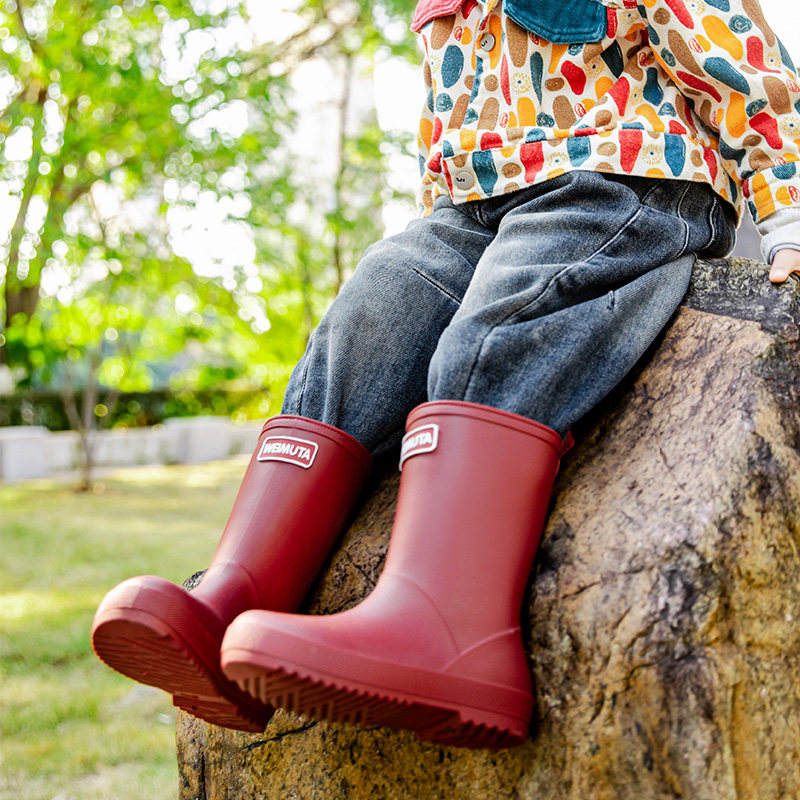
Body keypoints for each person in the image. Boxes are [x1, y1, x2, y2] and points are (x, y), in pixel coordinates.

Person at [93, 0, 800, 749]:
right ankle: (239, 595)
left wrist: (788, 217)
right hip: (475, 199)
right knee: (372, 312)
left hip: (622, 175)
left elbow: (742, 61)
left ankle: (448, 627)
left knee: (494, 334)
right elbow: (450, 105)